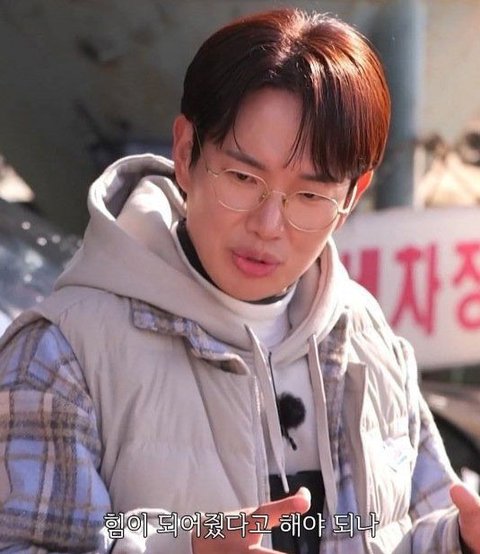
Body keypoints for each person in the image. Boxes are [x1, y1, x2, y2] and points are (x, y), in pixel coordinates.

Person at [0, 7, 479, 554]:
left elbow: (400, 530)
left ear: (352, 195)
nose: (268, 225)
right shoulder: (64, 355)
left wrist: (459, 541)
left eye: (310, 195)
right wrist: (184, 547)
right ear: (186, 153)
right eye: (243, 177)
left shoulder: (365, 339)